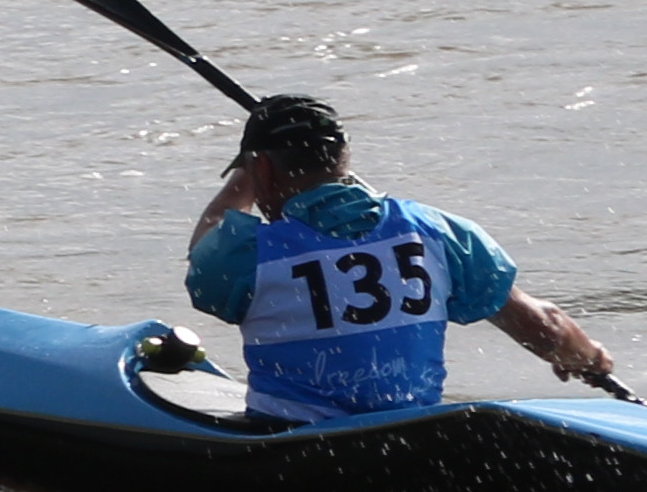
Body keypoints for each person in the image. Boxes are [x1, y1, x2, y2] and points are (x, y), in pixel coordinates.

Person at [185, 92, 620, 423]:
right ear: (343, 158)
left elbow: (205, 249)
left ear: (262, 170)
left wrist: (244, 173)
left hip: (289, 440)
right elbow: (544, 327)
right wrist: (586, 358)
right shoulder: (437, 231)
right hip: (407, 436)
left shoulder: (247, 252)